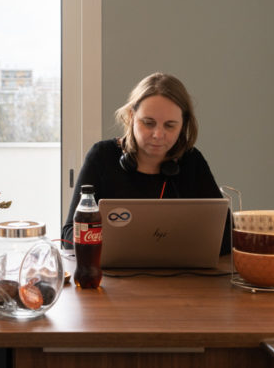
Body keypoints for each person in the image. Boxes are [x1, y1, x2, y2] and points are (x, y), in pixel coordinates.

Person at [60, 72, 231, 254]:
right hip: (112, 279)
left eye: (170, 125)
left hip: (179, 278)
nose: (158, 134)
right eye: (148, 123)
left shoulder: (192, 161)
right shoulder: (102, 156)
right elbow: (69, 236)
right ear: (131, 116)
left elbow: (227, 237)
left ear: (183, 125)